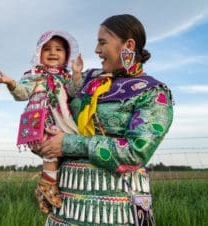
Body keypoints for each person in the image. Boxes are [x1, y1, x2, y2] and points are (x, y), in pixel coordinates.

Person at [32, 14, 174, 226]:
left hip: (119, 208)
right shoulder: (88, 79)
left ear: (128, 45)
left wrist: (67, 144)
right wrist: (41, 138)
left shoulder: (153, 93)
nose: (97, 50)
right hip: (66, 205)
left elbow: (135, 151)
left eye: (102, 42)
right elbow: (55, 108)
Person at [0, 30, 84, 214]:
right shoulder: (34, 75)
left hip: (61, 123)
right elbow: (22, 92)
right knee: (50, 150)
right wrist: (10, 83)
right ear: (39, 54)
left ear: (66, 56)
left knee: (60, 155)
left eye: (59, 49)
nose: (53, 53)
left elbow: (75, 92)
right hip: (40, 123)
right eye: (47, 49)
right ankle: (47, 185)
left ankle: (45, 194)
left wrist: (76, 74)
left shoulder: (65, 77)